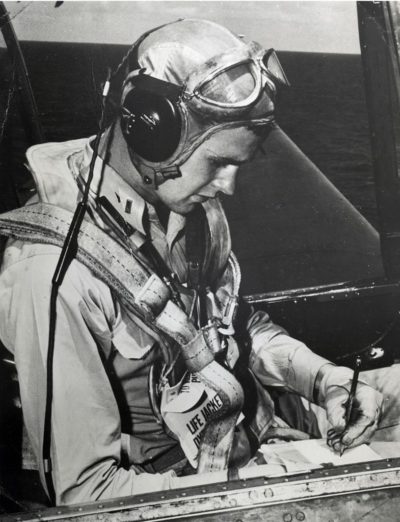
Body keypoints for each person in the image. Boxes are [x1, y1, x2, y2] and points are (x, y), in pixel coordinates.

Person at [0, 18, 397, 506]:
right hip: (188, 485)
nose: (228, 187)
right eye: (217, 163)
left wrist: (325, 380)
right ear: (151, 130)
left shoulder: (191, 207)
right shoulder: (52, 273)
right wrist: (275, 493)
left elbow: (237, 329)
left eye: (238, 166)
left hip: (262, 427)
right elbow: (87, 496)